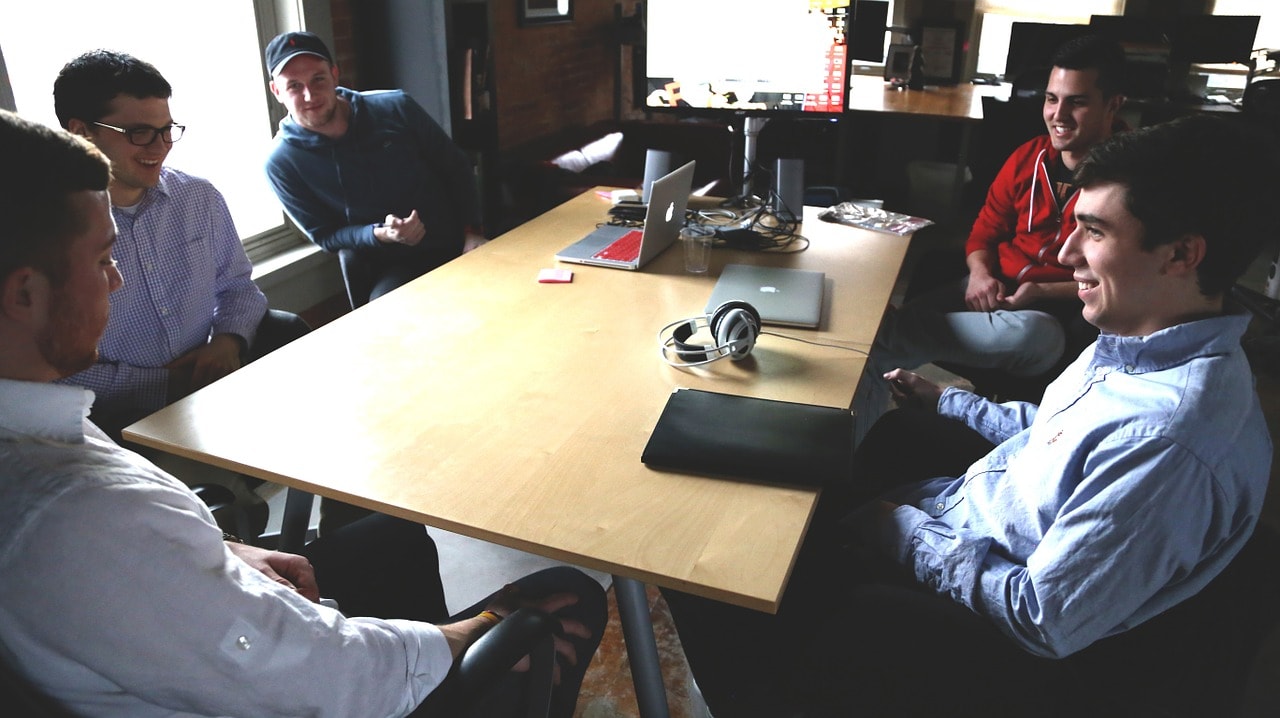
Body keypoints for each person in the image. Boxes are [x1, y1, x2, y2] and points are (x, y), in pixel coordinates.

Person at [662, 113, 1277, 716]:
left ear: (1181, 255)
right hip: (953, 510)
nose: (1065, 254)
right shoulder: (1142, 338)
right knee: (775, 459)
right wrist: (947, 400)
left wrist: (894, 528)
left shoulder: (1170, 442)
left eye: (1094, 231)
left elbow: (1042, 617)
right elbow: (1057, 434)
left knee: (704, 565)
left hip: (965, 625)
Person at [0, 108, 605, 718]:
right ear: (25, 293)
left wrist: (228, 549)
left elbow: (153, 574)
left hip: (195, 614)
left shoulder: (40, 433)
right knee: (569, 594)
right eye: (103, 259)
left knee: (389, 531)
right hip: (317, 689)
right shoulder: (84, 514)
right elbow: (320, 677)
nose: (118, 279)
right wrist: (458, 639)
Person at [857, 34, 1128, 433]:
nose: (1059, 115)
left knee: (1036, 333)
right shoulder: (1028, 157)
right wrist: (981, 273)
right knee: (872, 349)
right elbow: (984, 229)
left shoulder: (1131, 180)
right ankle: (850, 453)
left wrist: (1042, 292)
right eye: (1052, 99)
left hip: (1050, 316)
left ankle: (878, 343)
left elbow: (1121, 279)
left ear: (1113, 104)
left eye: (1078, 102)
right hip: (991, 286)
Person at [50, 49, 311, 441]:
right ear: (80, 131)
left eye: (167, 129)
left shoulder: (198, 198)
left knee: (291, 340)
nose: (160, 147)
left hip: (212, 378)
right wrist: (166, 385)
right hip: (109, 420)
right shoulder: (43, 233)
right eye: (139, 133)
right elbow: (51, 369)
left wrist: (228, 340)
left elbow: (238, 287)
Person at [263, 31, 486, 304]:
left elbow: (455, 166)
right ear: (276, 91)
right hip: (388, 265)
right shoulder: (281, 162)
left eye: (318, 79)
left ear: (334, 74)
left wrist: (472, 231)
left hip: (456, 240)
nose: (310, 94)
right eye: (294, 86)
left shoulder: (395, 106)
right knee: (391, 320)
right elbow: (325, 235)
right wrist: (380, 233)